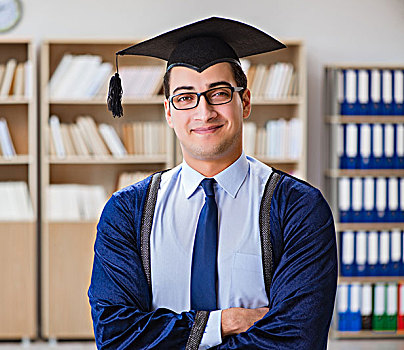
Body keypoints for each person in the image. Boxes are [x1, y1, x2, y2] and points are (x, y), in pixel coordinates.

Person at [88, 17, 337, 349]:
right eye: (185, 97)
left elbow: (296, 339)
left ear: (244, 102)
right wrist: (224, 322)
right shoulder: (128, 212)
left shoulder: (297, 207)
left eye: (218, 94)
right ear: (168, 112)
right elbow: (116, 334)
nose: (203, 112)